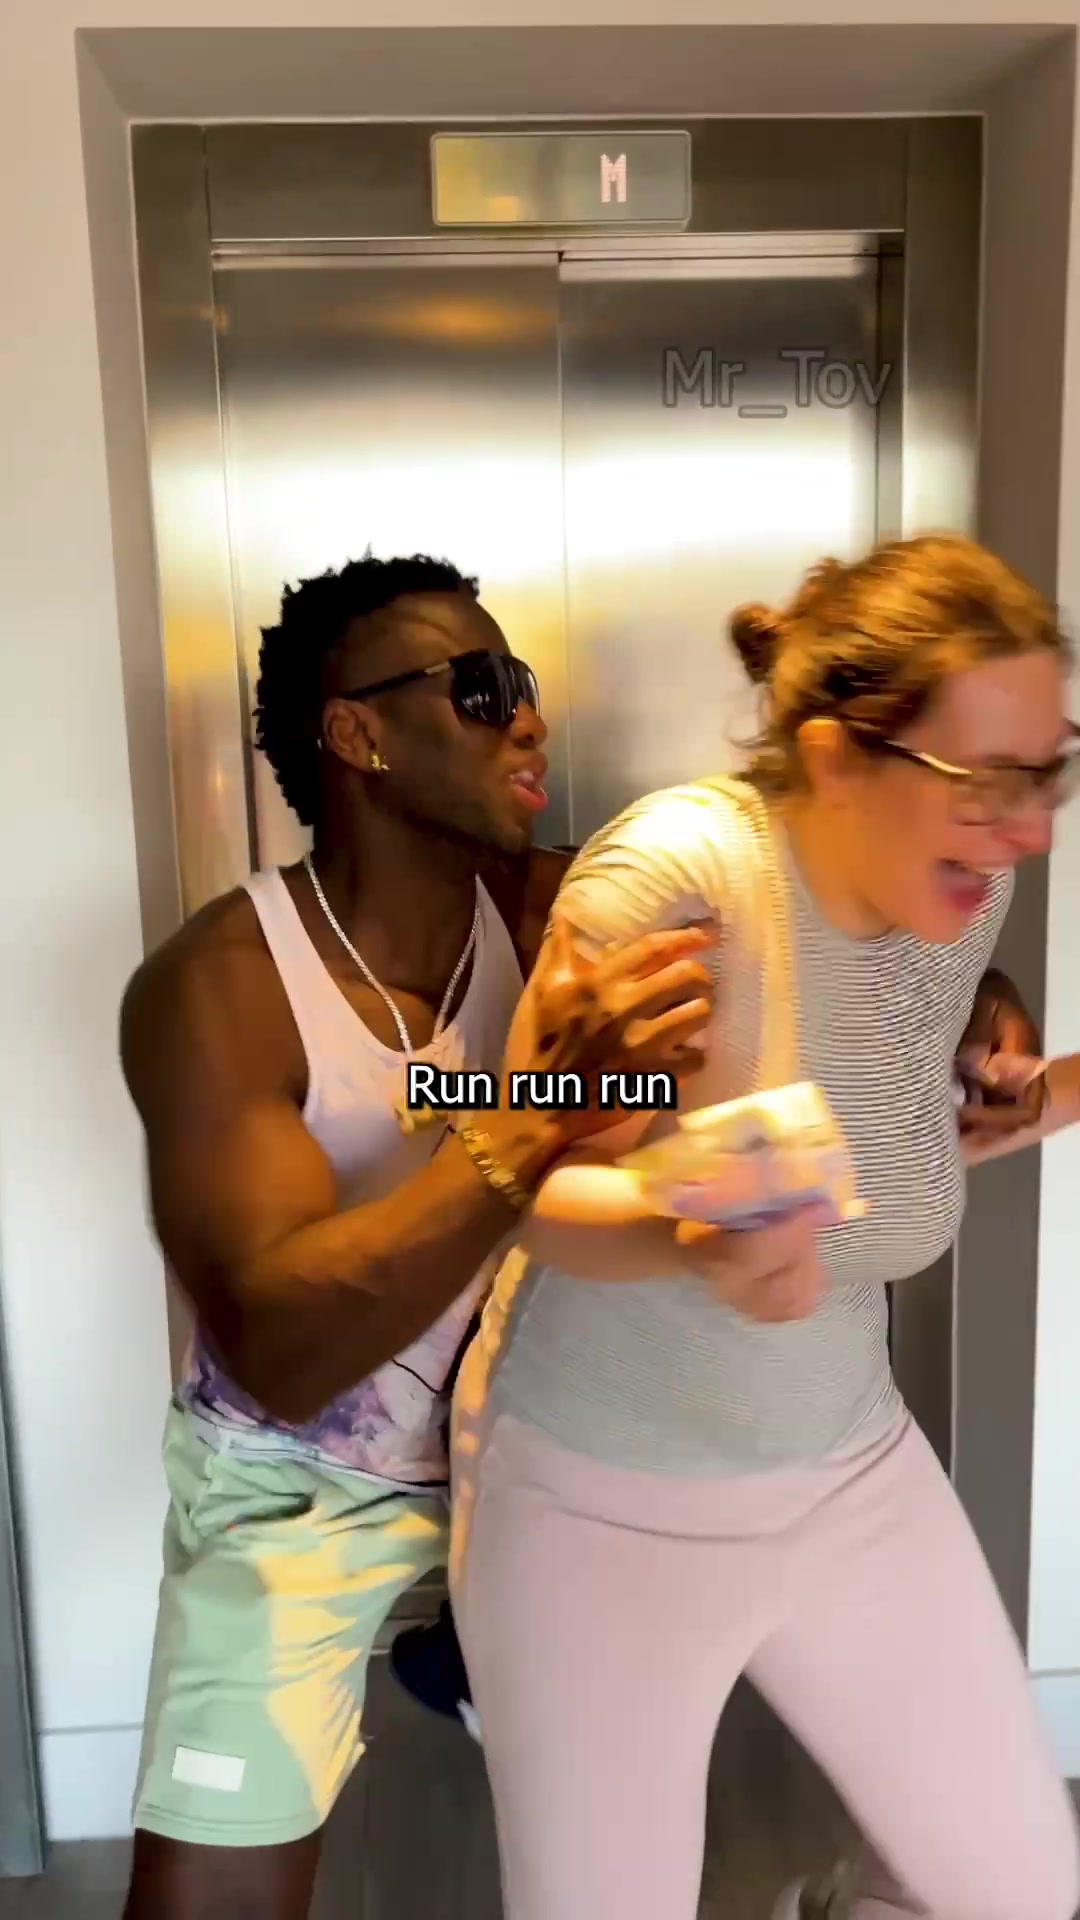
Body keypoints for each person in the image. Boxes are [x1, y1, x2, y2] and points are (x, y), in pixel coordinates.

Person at [449, 533, 1080, 1920]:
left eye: (1052, 772)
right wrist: (689, 1226)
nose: (1032, 829)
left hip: (849, 1469)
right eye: (987, 780)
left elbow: (902, 1112)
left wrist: (1041, 1090)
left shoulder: (963, 889)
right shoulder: (673, 885)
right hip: (598, 1501)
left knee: (1020, 1893)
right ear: (838, 759)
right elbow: (530, 1179)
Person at [118, 552, 717, 1920]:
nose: (530, 718)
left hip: (538, 1452)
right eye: (482, 687)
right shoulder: (220, 989)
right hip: (300, 1490)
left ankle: (474, 1648)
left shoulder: (552, 917)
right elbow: (280, 1350)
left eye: (524, 682)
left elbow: (790, 943)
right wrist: (526, 1123)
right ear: (357, 732)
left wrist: (966, 1024)